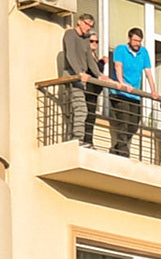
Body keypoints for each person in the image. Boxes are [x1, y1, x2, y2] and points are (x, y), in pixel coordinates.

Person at [107, 27, 153, 159]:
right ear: (129, 39)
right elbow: (118, 66)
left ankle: (116, 148)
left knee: (133, 125)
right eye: (135, 40)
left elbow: (148, 72)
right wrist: (121, 83)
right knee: (124, 122)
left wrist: (153, 90)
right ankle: (123, 152)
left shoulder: (143, 52)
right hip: (119, 93)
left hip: (135, 95)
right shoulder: (120, 49)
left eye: (139, 41)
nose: (137, 43)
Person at [59, 14, 104, 146]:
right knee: (81, 108)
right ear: (79, 22)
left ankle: (77, 137)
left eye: (91, 26)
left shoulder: (85, 39)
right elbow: (70, 55)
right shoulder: (70, 34)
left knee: (79, 108)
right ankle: (77, 138)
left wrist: (99, 75)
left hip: (80, 77)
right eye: (86, 24)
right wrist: (79, 73)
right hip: (72, 75)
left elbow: (90, 60)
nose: (88, 28)